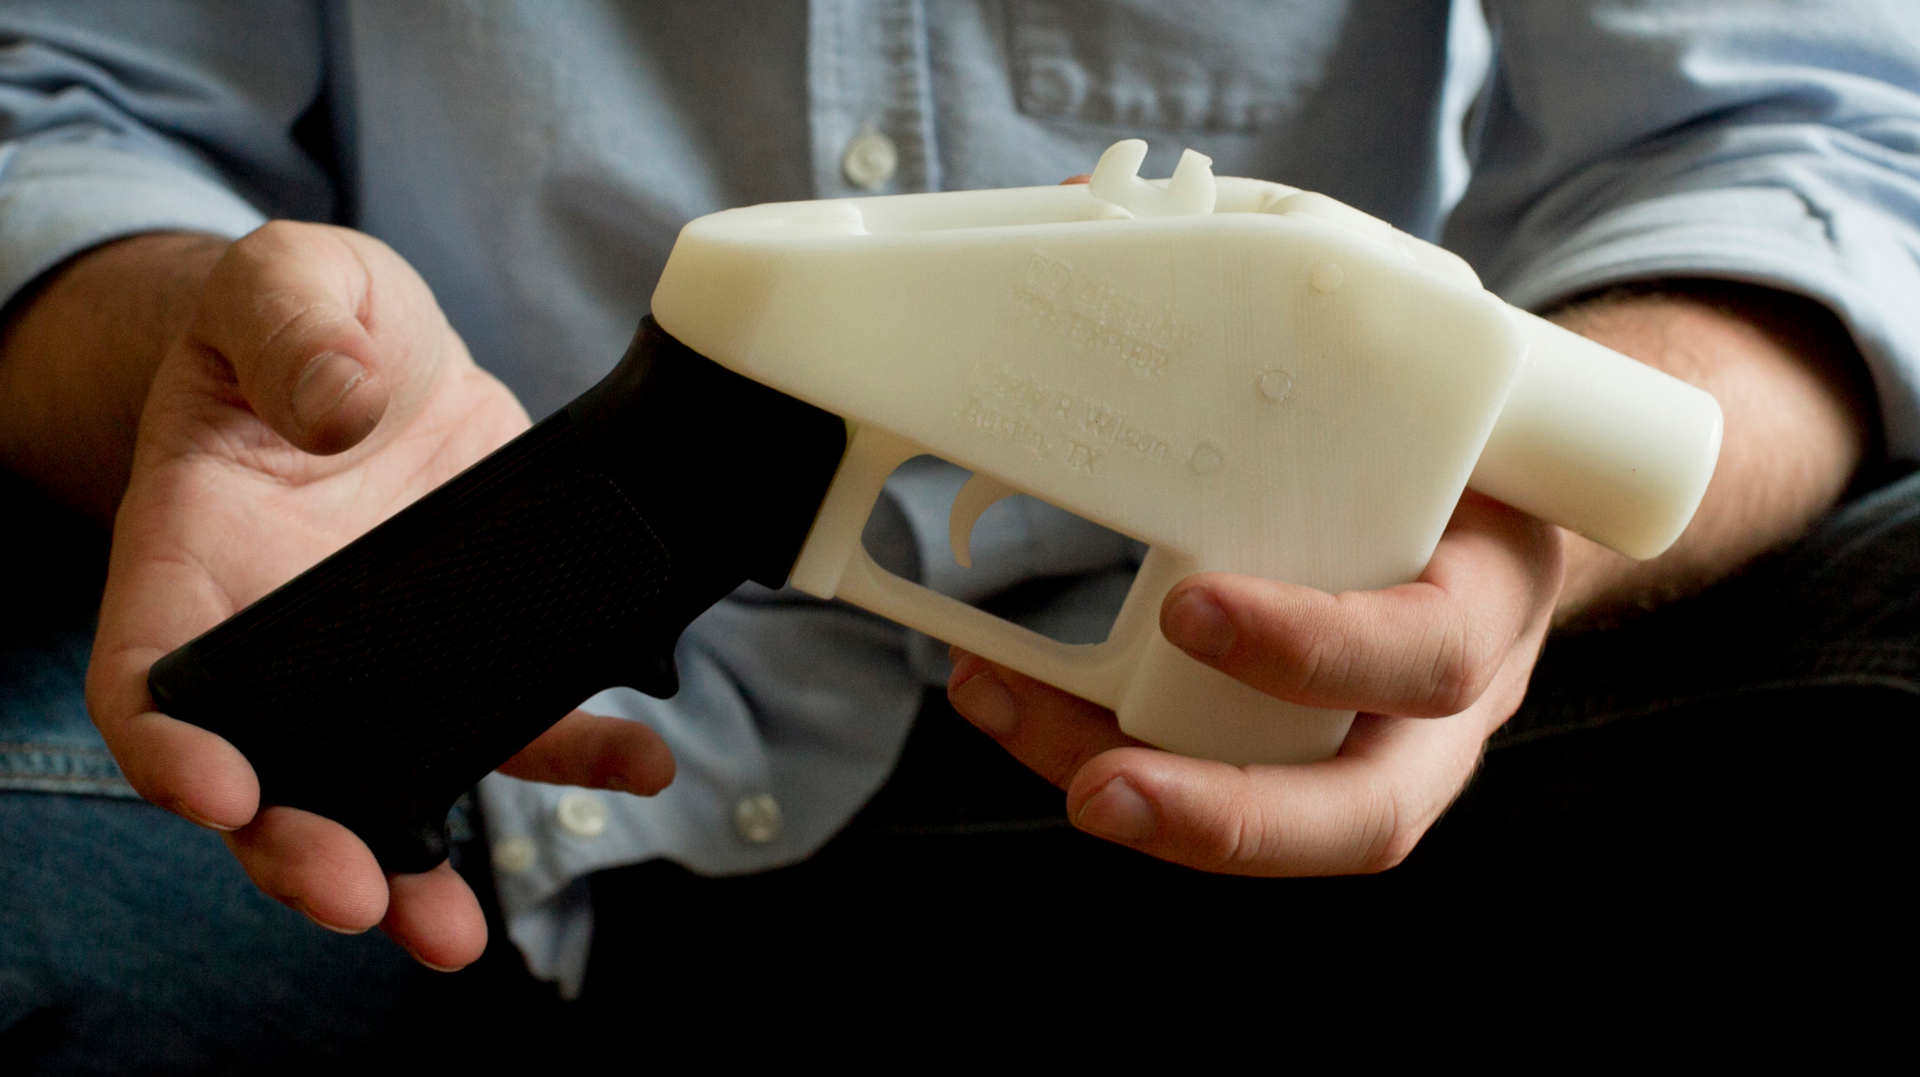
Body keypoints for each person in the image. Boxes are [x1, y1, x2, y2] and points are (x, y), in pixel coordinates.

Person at [3, 0, 1916, 1065]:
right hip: (523, 733)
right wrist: (220, 344)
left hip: (1358, 743)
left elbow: (1814, 148)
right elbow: (57, 107)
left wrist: (1524, 558)